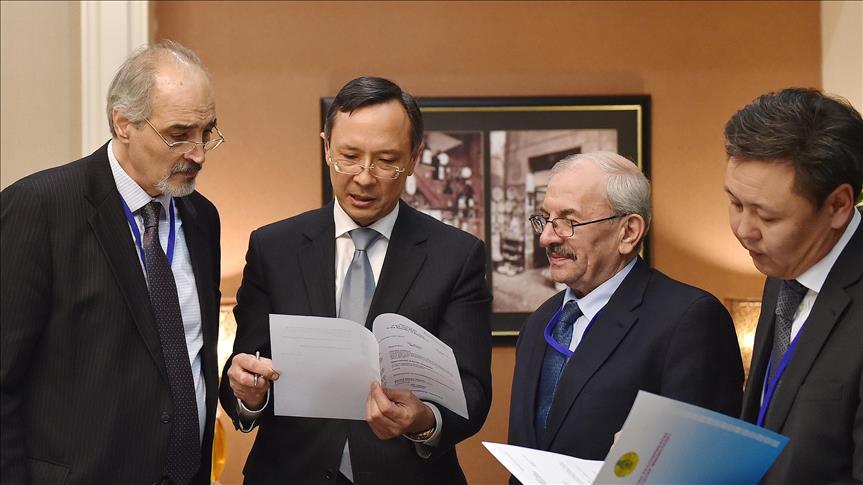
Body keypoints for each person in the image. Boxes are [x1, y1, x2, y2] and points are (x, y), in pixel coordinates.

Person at [219, 76, 492, 485]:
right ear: (326, 147)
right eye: (348, 156)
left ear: (414, 158)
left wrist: (424, 420)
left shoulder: (456, 256)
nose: (364, 177)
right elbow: (241, 371)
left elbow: (472, 391)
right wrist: (248, 394)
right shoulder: (273, 247)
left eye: (386, 160)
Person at [0, 40, 223, 485]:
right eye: (179, 134)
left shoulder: (203, 218)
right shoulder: (39, 208)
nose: (198, 153)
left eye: (207, 131)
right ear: (123, 123)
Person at [508, 152, 743, 475]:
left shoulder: (690, 320)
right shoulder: (539, 323)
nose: (546, 237)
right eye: (545, 219)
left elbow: (702, 469)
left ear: (629, 232)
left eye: (568, 222)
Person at [725, 88, 863, 484]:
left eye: (767, 217)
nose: (743, 230)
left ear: (837, 206)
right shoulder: (784, 267)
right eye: (735, 204)